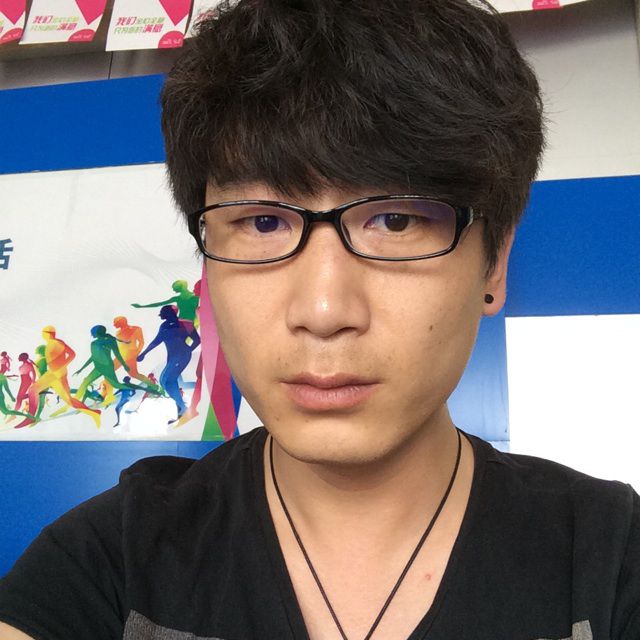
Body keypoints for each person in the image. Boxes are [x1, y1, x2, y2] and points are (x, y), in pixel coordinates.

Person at [0, 1, 638, 639]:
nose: (324, 312)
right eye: (262, 222)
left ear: (493, 262)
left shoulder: (611, 558)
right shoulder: (106, 563)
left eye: (396, 220)